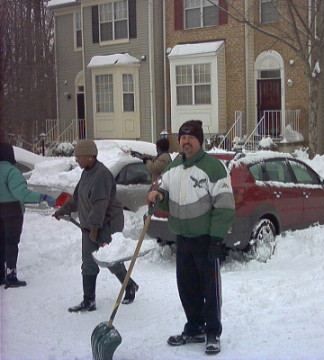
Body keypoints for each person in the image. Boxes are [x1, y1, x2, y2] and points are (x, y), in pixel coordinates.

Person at [147, 120, 235, 355]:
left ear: (199, 141)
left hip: (206, 238)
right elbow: (163, 191)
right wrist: (157, 194)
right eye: (183, 137)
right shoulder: (174, 166)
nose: (186, 141)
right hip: (182, 237)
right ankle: (194, 327)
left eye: (190, 138)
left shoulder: (214, 168)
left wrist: (217, 239)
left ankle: (212, 333)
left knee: (210, 289)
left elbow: (225, 206)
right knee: (187, 286)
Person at [52, 140, 139, 312]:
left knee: (110, 260)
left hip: (107, 225)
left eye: (79, 157)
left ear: (90, 157)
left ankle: (129, 286)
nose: (77, 160)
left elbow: (100, 205)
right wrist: (62, 210)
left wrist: (94, 229)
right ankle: (88, 301)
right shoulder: (86, 173)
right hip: (90, 225)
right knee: (88, 263)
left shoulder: (102, 175)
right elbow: (77, 198)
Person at [0, 142, 56, 288]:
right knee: (11, 243)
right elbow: (21, 193)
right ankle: (11, 276)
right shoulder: (11, 171)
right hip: (12, 212)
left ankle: (0, 275)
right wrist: (43, 197)